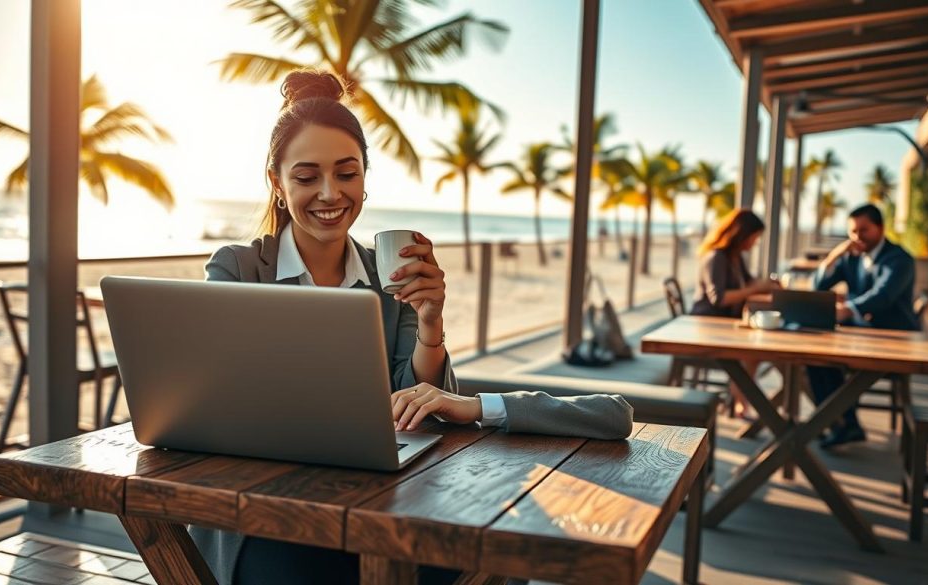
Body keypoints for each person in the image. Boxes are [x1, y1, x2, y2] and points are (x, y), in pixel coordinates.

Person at [191, 69, 634, 585]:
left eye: (347, 173)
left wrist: (430, 324)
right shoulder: (238, 269)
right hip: (261, 513)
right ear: (278, 182)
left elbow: (416, 403)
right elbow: (213, 404)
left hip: (377, 495)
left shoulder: (386, 272)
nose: (331, 193)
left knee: (492, 569)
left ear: (364, 177)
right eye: (307, 176)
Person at [809, 203, 918, 449]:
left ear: (880, 228)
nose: (858, 237)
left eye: (864, 230)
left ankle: (839, 423)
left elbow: (883, 296)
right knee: (815, 359)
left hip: (894, 343)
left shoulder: (900, 260)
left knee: (828, 360)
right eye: (853, 231)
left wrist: (847, 309)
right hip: (859, 337)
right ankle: (840, 423)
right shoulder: (851, 258)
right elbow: (817, 287)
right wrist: (833, 256)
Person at [691, 209, 779, 418]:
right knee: (753, 352)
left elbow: (749, 282)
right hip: (708, 325)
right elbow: (718, 298)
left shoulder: (735, 257)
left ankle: (739, 396)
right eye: (754, 237)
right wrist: (757, 289)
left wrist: (768, 284)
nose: (755, 243)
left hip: (725, 322)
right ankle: (741, 398)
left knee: (756, 351)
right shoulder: (716, 257)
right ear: (741, 234)